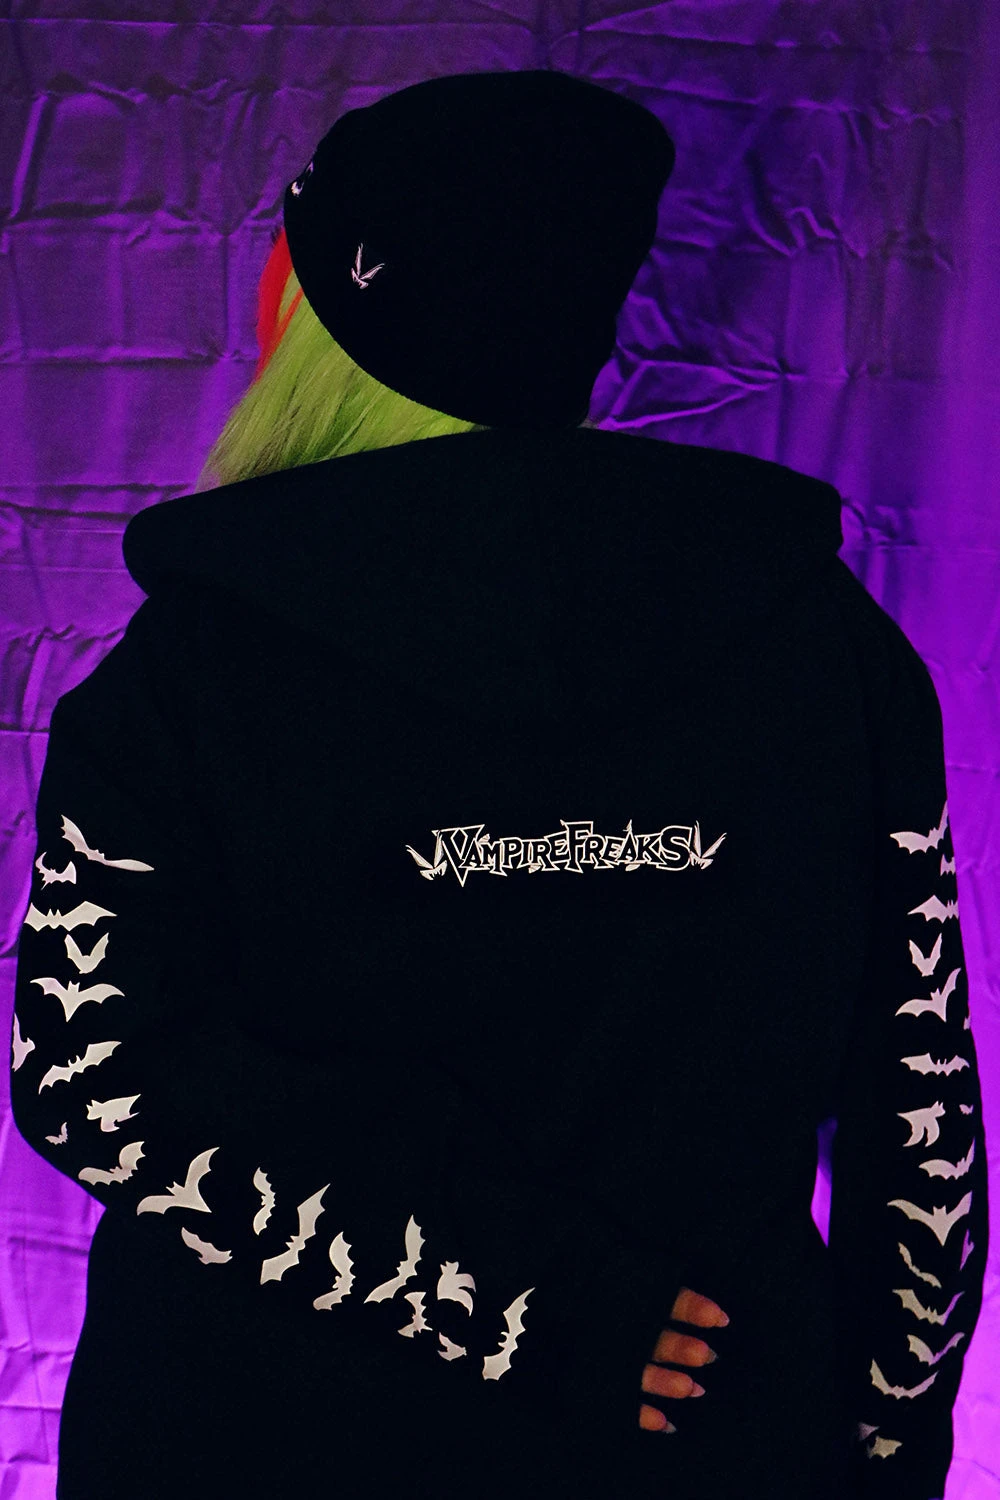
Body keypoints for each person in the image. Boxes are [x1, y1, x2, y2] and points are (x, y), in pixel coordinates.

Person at [10, 69, 987, 1500]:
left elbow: (89, 1074)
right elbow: (923, 1124)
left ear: (322, 314)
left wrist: (524, 1297)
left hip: (255, 1440)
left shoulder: (196, 669)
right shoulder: (827, 645)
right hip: (707, 1444)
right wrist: (886, 1453)